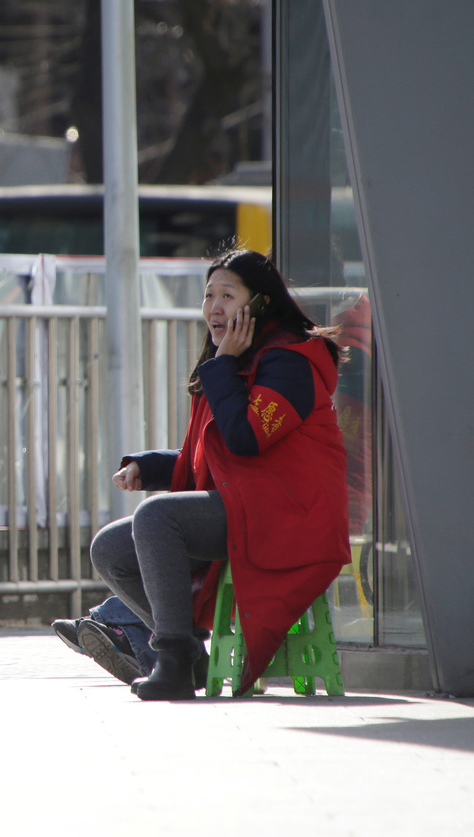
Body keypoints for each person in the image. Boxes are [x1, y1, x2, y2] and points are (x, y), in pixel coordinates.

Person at [87, 249, 350, 700]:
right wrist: (147, 467)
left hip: (290, 514)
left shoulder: (290, 361)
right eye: (209, 295)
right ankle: (190, 654)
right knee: (110, 548)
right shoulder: (233, 362)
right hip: (246, 504)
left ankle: (171, 660)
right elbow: (213, 455)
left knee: (157, 518)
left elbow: (246, 439)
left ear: (261, 304)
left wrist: (224, 364)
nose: (214, 307)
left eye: (228, 295)